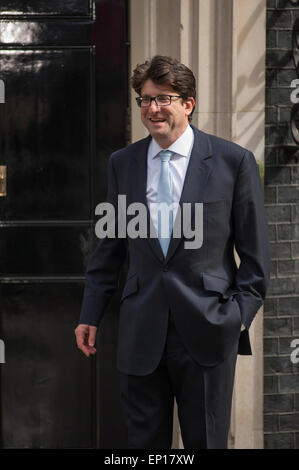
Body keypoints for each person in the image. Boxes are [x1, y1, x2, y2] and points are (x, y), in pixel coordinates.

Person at [75, 55, 270, 449]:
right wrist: (90, 313)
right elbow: (109, 247)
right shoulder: (123, 163)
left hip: (208, 330)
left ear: (188, 103)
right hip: (141, 330)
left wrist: (234, 319)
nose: (153, 109)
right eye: (145, 100)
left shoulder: (234, 163)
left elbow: (255, 259)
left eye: (163, 98)